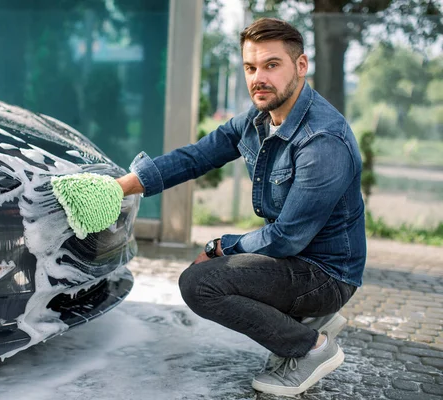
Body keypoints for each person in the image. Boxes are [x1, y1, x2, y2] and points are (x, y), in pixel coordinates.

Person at [116, 17, 366, 396]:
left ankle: (310, 348)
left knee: (201, 283)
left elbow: (285, 239)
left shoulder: (323, 140)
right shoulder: (258, 119)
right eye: (251, 67)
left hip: (326, 273)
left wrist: (219, 247)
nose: (258, 78)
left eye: (271, 65)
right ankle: (309, 321)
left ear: (300, 66)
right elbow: (196, 157)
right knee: (218, 272)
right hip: (293, 262)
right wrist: (121, 187)